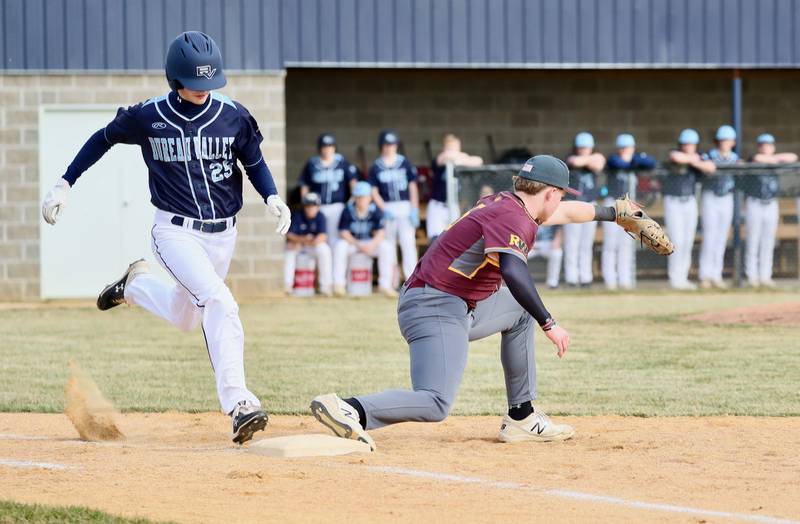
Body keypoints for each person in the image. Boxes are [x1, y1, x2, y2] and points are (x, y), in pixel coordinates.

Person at [39, 32, 292, 445]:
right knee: (219, 302)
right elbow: (101, 140)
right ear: (174, 79)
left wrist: (273, 197)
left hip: (223, 234)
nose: (204, 90)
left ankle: (133, 286)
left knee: (186, 316)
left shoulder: (233, 116)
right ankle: (240, 403)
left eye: (210, 82)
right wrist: (65, 183)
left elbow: (255, 162)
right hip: (173, 231)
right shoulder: (148, 116)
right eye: (195, 82)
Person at [310, 155, 640, 450]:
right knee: (435, 402)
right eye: (561, 195)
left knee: (519, 312)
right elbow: (513, 270)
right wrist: (550, 323)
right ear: (550, 193)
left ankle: (521, 417)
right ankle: (349, 408)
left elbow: (566, 213)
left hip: (451, 302)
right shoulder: (513, 218)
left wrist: (612, 213)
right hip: (435, 306)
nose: (561, 202)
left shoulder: (508, 204)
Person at [602, 133, 656, 290]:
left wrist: (636, 159)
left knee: (626, 243)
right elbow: (620, 164)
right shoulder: (613, 159)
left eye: (629, 148)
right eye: (623, 148)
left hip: (630, 206)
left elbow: (651, 162)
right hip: (613, 203)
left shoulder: (635, 159)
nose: (626, 151)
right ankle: (610, 280)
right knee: (611, 243)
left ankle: (625, 279)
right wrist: (634, 161)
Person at [368, 130, 419, 292]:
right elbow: (373, 191)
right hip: (387, 205)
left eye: (391, 145)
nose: (389, 148)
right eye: (386, 145)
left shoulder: (404, 162)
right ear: (381, 146)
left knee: (408, 244)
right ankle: (391, 282)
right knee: (388, 246)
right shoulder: (376, 166)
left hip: (404, 205)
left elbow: (412, 186)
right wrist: (383, 208)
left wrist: (414, 208)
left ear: (396, 146)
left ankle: (411, 282)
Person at [745, 134, 798, 287]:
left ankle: (765, 276)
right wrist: (773, 160)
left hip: (771, 204)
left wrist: (774, 158)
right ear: (759, 147)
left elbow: (793, 157)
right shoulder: (754, 158)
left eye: (768, 145)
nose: (765, 147)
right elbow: (757, 158)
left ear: (773, 147)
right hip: (755, 203)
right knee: (753, 241)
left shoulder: (776, 160)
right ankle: (752, 277)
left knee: (768, 242)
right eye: (762, 145)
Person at [665, 129, 715, 290]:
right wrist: (694, 160)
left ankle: (683, 277)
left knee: (688, 240)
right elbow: (676, 157)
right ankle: (675, 278)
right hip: (673, 200)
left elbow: (710, 168)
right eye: (685, 144)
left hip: (690, 201)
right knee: (677, 240)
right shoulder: (675, 153)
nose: (688, 147)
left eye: (691, 144)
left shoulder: (699, 156)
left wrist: (694, 161)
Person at [299, 133, 358, 249]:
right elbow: (304, 185)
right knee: (320, 240)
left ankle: (336, 267)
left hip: (337, 205)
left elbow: (353, 182)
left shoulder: (342, 162)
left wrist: (352, 201)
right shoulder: (312, 163)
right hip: (317, 207)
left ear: (334, 147)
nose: (327, 149)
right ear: (320, 148)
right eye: (324, 147)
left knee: (335, 239)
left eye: (330, 146)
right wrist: (306, 204)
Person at [333, 181, 394, 296]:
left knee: (386, 247)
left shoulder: (375, 211)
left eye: (364, 197)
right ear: (355, 198)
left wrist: (372, 245)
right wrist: (358, 244)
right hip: (353, 243)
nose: (361, 200)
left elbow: (381, 233)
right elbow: (344, 233)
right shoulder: (348, 210)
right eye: (359, 197)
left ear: (370, 198)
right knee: (340, 246)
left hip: (369, 243)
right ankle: (339, 285)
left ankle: (385, 286)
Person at [698, 125, 739, 289]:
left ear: (733, 142)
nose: (725, 143)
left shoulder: (735, 158)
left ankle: (716, 274)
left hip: (727, 197)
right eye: (722, 140)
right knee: (709, 236)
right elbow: (701, 163)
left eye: (728, 140)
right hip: (710, 197)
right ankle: (704, 275)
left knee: (721, 238)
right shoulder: (710, 155)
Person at [564, 132, 605, 287]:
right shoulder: (569, 158)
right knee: (572, 243)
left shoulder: (597, 157)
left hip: (590, 205)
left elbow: (599, 163)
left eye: (586, 148)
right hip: (572, 204)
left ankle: (586, 277)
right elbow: (575, 162)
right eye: (581, 148)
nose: (583, 150)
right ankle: (572, 278)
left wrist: (588, 160)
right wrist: (588, 160)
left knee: (586, 244)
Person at [428, 134, 483, 240]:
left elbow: (478, 161)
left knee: (452, 238)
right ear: (444, 148)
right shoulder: (440, 160)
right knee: (435, 239)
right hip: (438, 206)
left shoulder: (460, 160)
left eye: (456, 148)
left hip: (453, 205)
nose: (453, 151)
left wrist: (461, 159)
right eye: (450, 148)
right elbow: (444, 157)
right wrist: (458, 157)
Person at [284, 192, 333, 295]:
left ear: (318, 206)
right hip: (300, 245)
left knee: (325, 250)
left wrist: (310, 241)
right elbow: (289, 235)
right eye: (308, 205)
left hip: (313, 245)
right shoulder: (298, 215)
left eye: (313, 205)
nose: (310, 208)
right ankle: (287, 286)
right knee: (289, 251)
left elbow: (323, 236)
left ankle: (325, 286)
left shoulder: (321, 216)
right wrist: (303, 240)